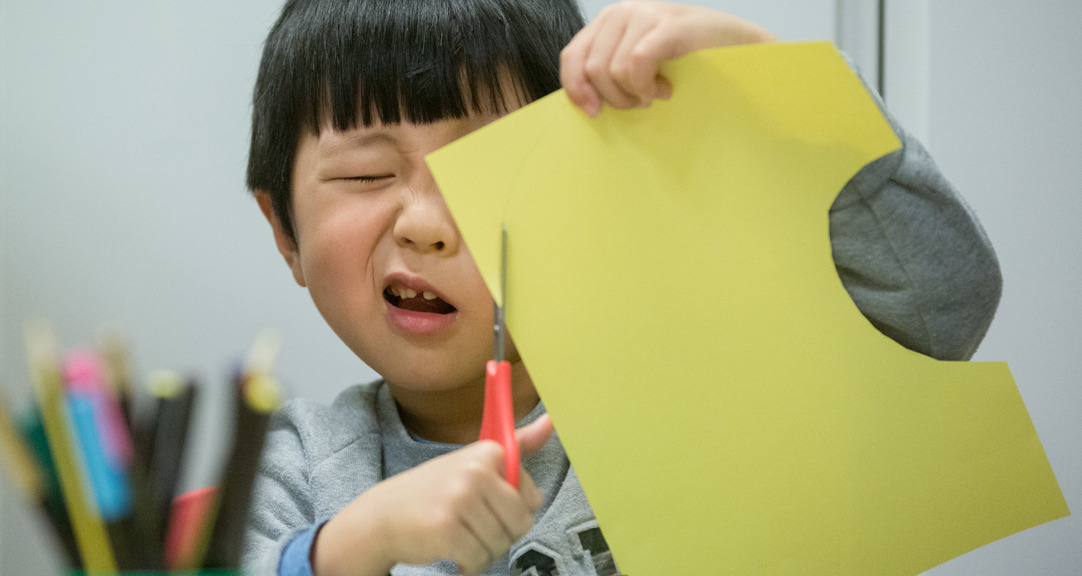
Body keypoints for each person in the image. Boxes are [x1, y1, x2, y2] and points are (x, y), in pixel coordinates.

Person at [242, 1, 1002, 575]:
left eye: (483, 170)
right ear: (284, 231)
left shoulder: (704, 402)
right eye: (367, 175)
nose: (429, 224)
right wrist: (354, 546)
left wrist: (784, 87)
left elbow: (943, 300)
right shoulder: (287, 471)